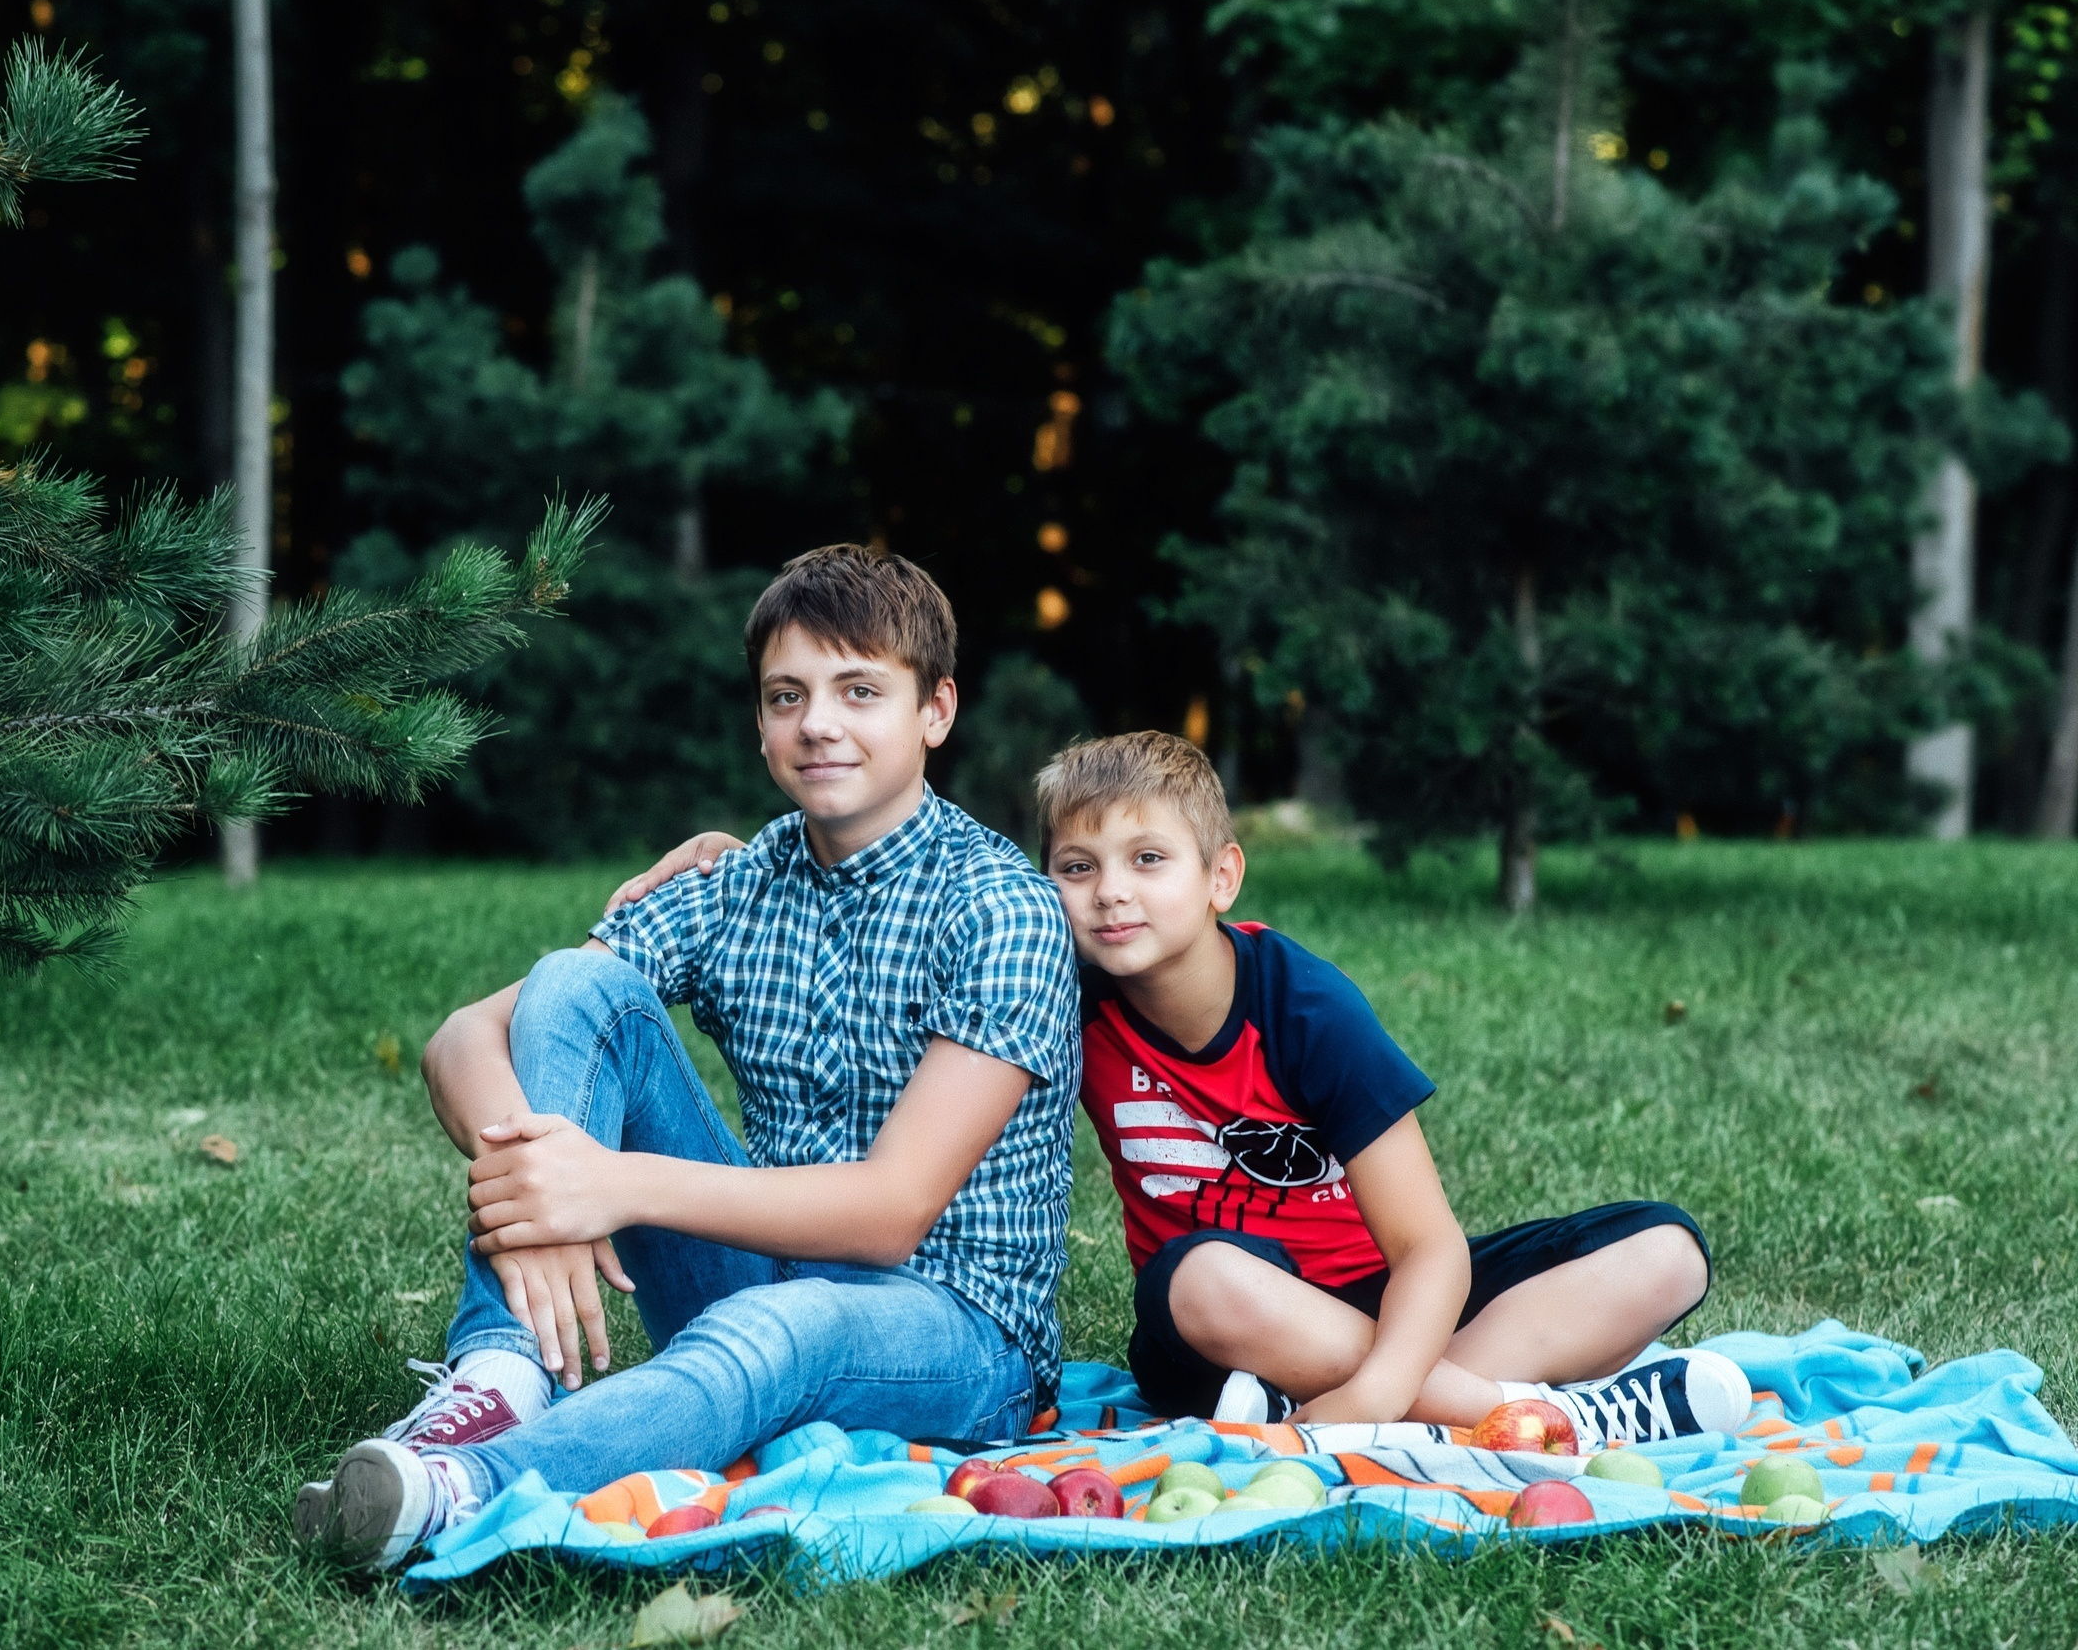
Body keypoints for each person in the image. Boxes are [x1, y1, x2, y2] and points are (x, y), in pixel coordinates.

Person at [614, 731, 1749, 1450]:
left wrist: (1368, 1387)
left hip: (1371, 1293)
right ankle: (1521, 1416)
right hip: (1221, 1321)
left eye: (1148, 861)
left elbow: (1430, 1250)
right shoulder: (1052, 979)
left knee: (1665, 1250)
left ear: (1220, 876)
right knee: (1206, 1274)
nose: (1112, 896)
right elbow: (908, 871)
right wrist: (756, 856)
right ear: (1040, 883)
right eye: (1076, 867)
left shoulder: (1298, 999)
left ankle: (1409, 1413)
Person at [293, 545, 1080, 1570]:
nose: (818, 723)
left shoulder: (997, 903)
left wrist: (611, 1184)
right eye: (785, 695)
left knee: (780, 1330)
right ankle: (503, 1370)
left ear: (934, 710)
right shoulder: (737, 881)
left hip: (956, 1330)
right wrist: (543, 1209)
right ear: (759, 727)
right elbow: (461, 1040)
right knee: (576, 986)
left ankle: (451, 1488)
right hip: (760, 1266)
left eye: (859, 690)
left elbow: (893, 1211)